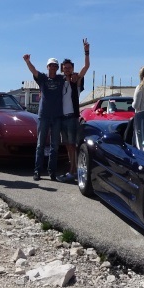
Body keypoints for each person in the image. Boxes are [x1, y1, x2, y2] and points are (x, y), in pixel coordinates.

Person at [23, 54, 65, 182]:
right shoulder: (42, 78)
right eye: (51, 65)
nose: (53, 67)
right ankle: (37, 171)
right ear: (47, 67)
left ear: (57, 68)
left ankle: (52, 172)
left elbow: (73, 75)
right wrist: (28, 61)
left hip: (57, 116)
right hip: (44, 116)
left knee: (54, 146)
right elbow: (33, 70)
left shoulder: (61, 79)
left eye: (55, 66)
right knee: (40, 144)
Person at [57, 39, 91, 183]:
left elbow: (86, 67)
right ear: (62, 69)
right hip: (62, 118)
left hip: (72, 118)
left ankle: (74, 171)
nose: (67, 69)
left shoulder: (76, 81)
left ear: (72, 69)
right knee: (67, 145)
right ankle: (73, 170)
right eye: (65, 68)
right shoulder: (60, 82)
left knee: (73, 145)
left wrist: (86, 52)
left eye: (69, 67)